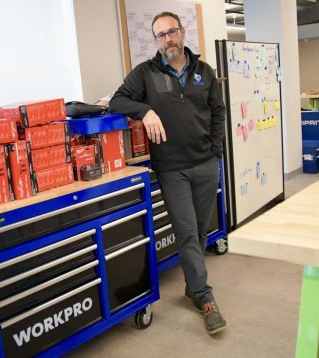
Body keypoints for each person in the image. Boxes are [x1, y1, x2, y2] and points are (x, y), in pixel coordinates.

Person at [108, 11, 226, 335]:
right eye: (160, 35)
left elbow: (218, 110)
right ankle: (204, 297)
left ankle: (192, 285)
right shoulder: (145, 73)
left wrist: (216, 150)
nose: (167, 39)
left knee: (200, 231)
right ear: (156, 41)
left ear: (182, 32)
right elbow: (117, 101)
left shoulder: (204, 71)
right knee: (188, 233)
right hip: (172, 169)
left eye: (171, 32)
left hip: (205, 164)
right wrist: (144, 110)